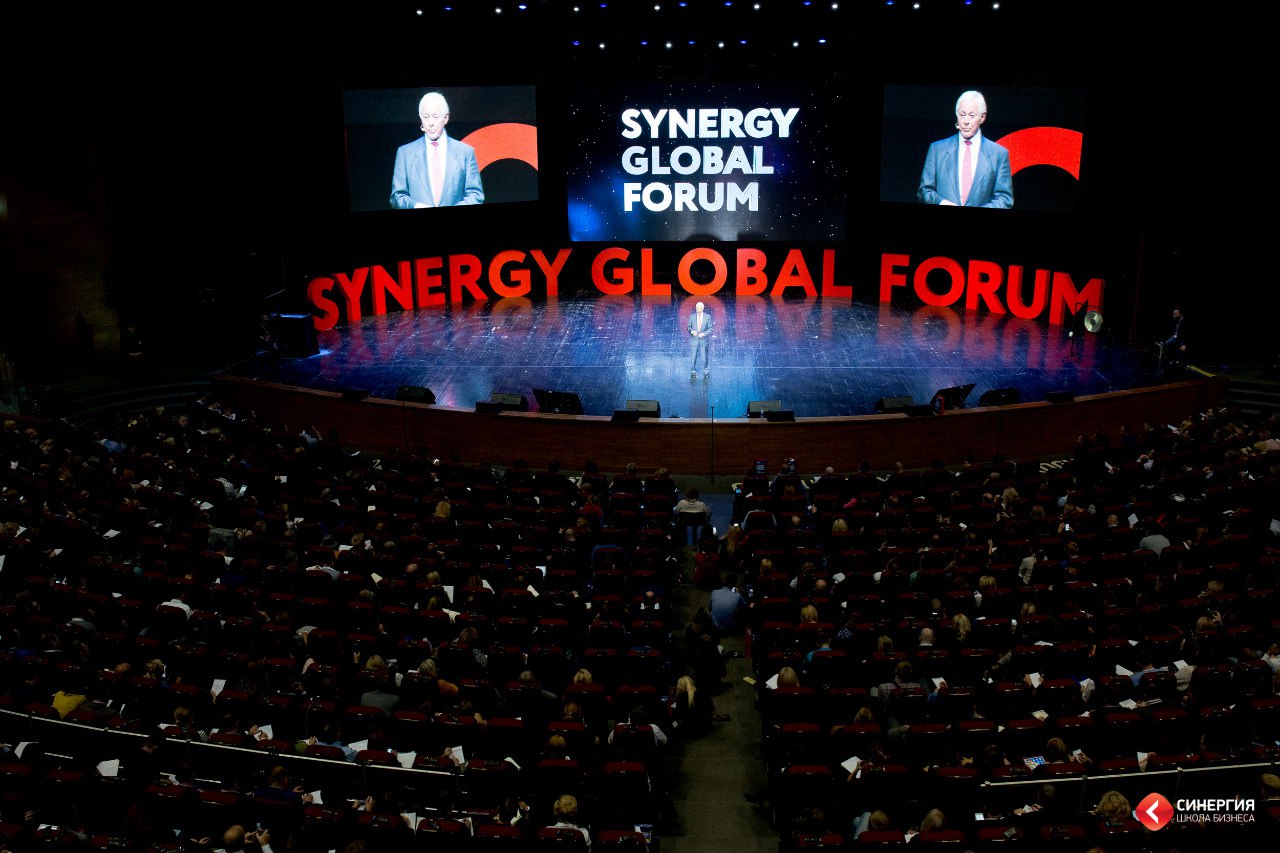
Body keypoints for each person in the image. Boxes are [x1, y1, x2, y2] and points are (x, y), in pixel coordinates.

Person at [917, 90, 1013, 209]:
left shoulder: (999, 154)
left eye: (972, 115)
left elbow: (1005, 198)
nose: (966, 121)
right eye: (962, 115)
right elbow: (924, 190)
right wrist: (941, 202)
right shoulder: (937, 150)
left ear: (982, 117)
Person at [390, 92, 483, 209]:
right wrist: (417, 206)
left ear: (446, 118)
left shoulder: (465, 152)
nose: (430, 123)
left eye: (435, 117)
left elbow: (475, 195)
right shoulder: (405, 154)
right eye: (426, 117)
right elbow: (397, 197)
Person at [688, 301, 712, 377]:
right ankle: (693, 372)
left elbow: (710, 329)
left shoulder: (708, 317)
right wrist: (692, 332)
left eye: (699, 308)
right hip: (694, 340)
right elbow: (688, 327)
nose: (697, 309)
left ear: (702, 308)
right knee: (693, 358)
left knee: (704, 358)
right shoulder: (691, 316)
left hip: (703, 341)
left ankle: (706, 371)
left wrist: (704, 333)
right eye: (696, 308)